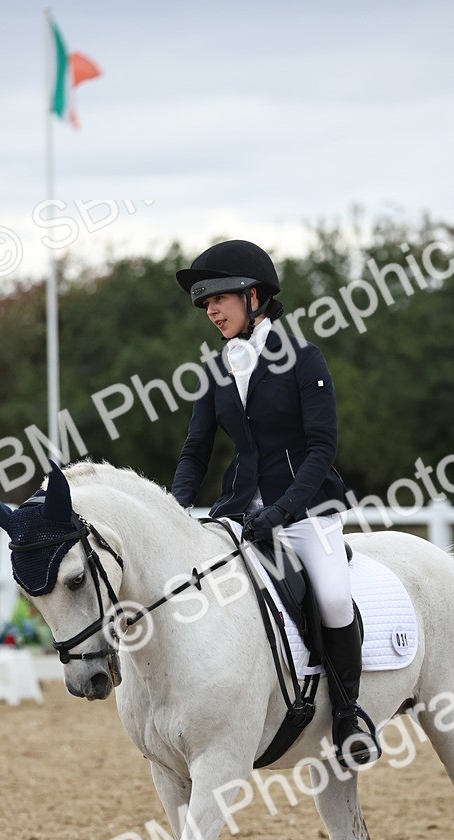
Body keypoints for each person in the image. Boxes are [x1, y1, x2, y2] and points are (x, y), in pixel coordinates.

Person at [171, 239, 379, 766]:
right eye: (205, 304)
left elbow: (322, 447)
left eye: (217, 298)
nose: (211, 311)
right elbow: (195, 453)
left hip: (306, 510)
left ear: (253, 295)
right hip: (238, 512)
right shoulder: (217, 371)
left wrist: (284, 509)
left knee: (332, 597)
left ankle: (350, 715)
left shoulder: (303, 358)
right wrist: (174, 512)